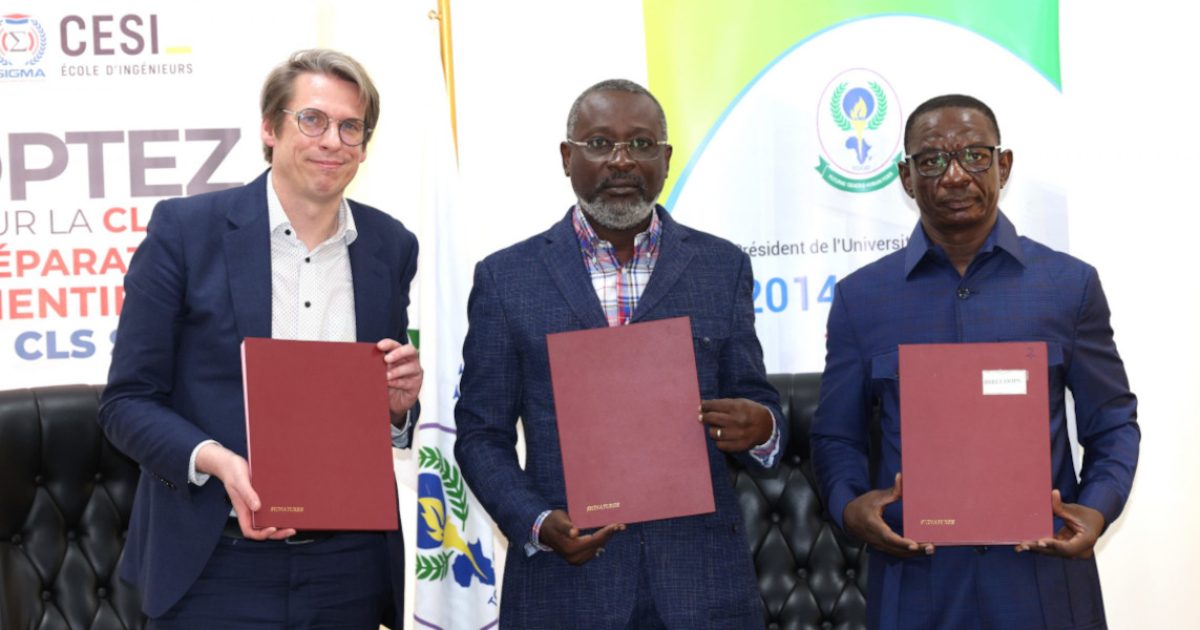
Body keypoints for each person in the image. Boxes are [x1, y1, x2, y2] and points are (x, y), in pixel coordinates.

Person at [98, 49, 422, 629]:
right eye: (313, 119)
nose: (333, 141)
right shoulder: (185, 231)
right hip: (214, 561)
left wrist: (396, 408)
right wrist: (219, 464)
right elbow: (127, 402)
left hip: (346, 569)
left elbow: (376, 401)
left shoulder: (389, 246)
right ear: (270, 129)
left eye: (351, 127)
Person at [453, 79, 785, 628]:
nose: (622, 160)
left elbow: (757, 402)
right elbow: (481, 434)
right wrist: (537, 522)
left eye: (641, 144)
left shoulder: (720, 267)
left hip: (702, 585)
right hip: (566, 585)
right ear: (567, 157)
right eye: (600, 143)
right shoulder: (507, 279)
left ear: (667, 158)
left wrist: (762, 426)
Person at [811, 94, 1139, 629]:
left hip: (1042, 579)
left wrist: (1097, 508)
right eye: (933, 160)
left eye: (975, 155)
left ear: (1003, 165)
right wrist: (851, 507)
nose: (955, 175)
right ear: (905, 176)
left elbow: (1114, 422)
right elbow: (835, 437)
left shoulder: (1068, 285)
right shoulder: (861, 298)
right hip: (916, 580)